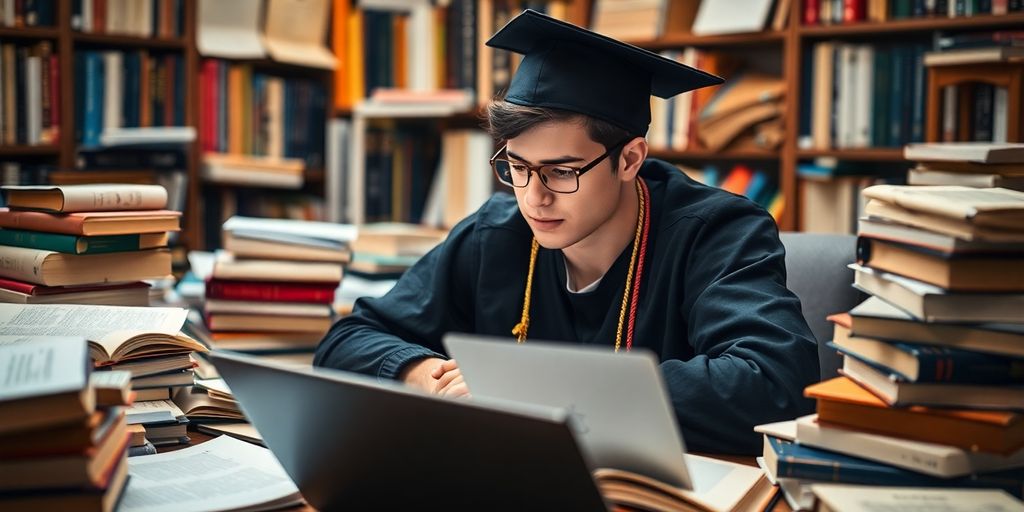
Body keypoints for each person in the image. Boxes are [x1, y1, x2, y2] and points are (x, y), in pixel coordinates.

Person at [315, 10, 819, 455]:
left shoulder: (717, 232)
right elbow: (347, 341)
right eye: (517, 166)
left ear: (629, 159)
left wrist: (530, 391)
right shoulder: (496, 232)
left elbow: (776, 383)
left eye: (562, 171)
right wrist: (425, 376)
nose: (534, 198)